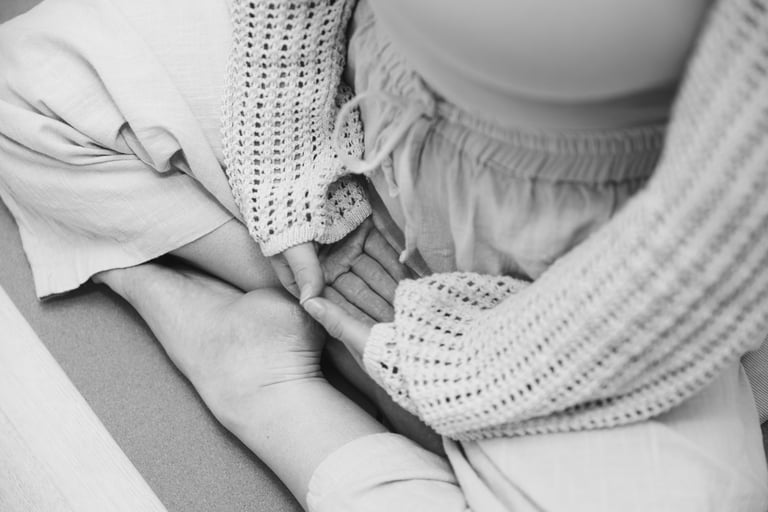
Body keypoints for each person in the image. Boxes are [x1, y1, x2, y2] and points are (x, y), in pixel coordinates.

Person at [1, 0, 767, 510]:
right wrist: (286, 166)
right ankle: (334, 300)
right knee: (22, 83)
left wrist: (450, 369)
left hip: (599, 296)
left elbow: (708, 252)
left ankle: (264, 388)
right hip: (355, 121)